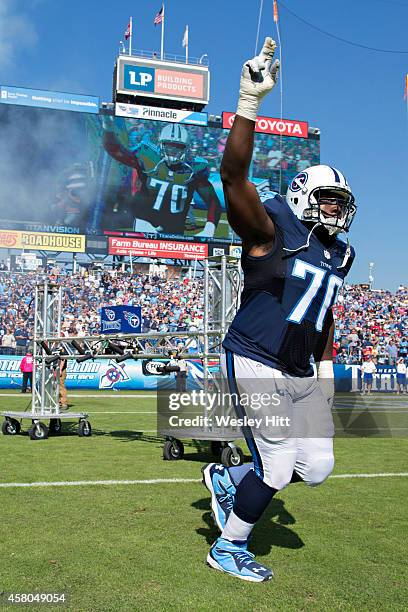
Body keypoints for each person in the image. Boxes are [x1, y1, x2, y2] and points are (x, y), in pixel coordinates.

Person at [201, 37, 356, 582]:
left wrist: (326, 370)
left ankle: (231, 479)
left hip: (299, 369)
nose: (337, 210)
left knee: (315, 468)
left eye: (341, 203)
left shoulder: (339, 253)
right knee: (276, 465)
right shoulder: (271, 230)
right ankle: (228, 545)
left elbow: (325, 312)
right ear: (301, 195)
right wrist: (248, 104)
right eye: (329, 200)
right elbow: (233, 178)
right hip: (256, 358)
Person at [102, 118, 222, 237]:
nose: (173, 151)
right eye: (169, 146)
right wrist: (108, 127)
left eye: (178, 147)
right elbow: (116, 151)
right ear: (160, 144)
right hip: (144, 225)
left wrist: (209, 229)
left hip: (175, 233)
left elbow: (213, 202)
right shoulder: (148, 157)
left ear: (186, 148)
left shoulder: (195, 168)